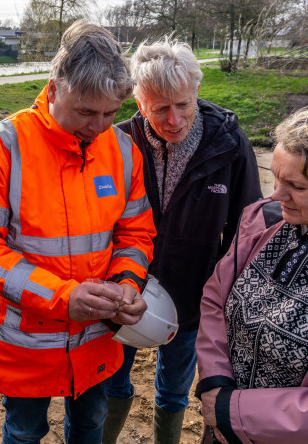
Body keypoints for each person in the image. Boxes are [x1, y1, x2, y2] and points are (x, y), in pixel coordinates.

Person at [0, 20, 156, 443]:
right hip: (27, 343)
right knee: (25, 432)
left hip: (98, 335)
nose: (98, 126)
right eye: (85, 112)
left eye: (109, 113)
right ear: (54, 87)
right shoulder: (0, 148)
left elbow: (135, 233)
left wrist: (127, 283)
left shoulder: (121, 150)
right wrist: (62, 297)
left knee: (90, 425)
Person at [103, 38, 262, 444]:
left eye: (183, 104)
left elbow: (248, 226)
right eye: (159, 108)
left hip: (194, 295)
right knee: (111, 381)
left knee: (174, 390)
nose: (173, 119)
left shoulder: (229, 146)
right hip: (124, 288)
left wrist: (223, 294)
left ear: (196, 93)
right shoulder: (117, 144)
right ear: (139, 103)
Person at [195, 95, 308, 443]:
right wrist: (216, 381)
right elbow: (216, 300)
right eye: (277, 178)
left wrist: (231, 412)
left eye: (298, 186)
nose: (277, 194)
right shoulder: (264, 221)